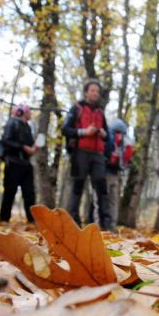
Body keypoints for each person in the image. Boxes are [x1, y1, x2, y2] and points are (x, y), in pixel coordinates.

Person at [62, 79, 113, 231]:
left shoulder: (100, 112)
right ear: (85, 92)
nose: (95, 94)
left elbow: (107, 135)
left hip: (97, 154)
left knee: (101, 188)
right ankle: (73, 223)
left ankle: (106, 225)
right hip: (80, 153)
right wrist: (83, 132)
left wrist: (104, 134)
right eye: (92, 90)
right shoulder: (76, 108)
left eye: (97, 91)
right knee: (77, 187)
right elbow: (65, 129)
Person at [0, 104, 37, 223]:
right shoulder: (12, 123)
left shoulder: (28, 127)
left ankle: (32, 220)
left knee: (29, 193)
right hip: (13, 162)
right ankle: (4, 220)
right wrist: (22, 147)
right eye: (28, 111)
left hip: (25, 163)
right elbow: (5, 141)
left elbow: (29, 145)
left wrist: (33, 149)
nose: (30, 113)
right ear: (21, 112)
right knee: (10, 192)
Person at [103, 117, 133, 228]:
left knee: (101, 200)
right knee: (113, 201)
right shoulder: (125, 139)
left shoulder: (108, 136)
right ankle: (113, 225)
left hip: (105, 172)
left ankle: (101, 225)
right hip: (116, 173)